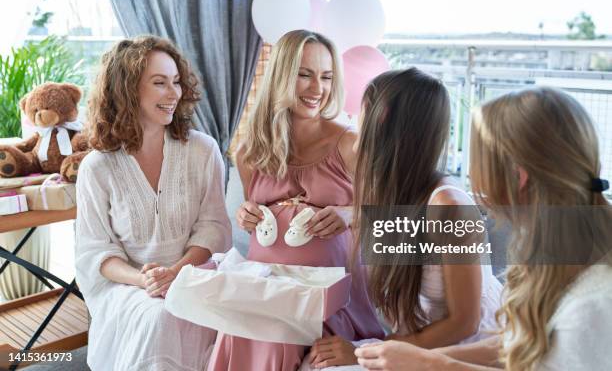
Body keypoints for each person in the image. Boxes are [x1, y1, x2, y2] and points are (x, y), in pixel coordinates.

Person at [355, 87, 612, 371]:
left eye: (478, 162)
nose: (471, 176)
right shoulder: (555, 250)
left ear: (518, 176)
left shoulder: (595, 304)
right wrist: (424, 357)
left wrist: (431, 364)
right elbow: (521, 343)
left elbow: (468, 325)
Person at [207, 29, 384, 371]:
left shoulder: (351, 144)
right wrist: (246, 213)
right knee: (250, 331)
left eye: (326, 77)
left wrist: (350, 214)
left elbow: (388, 218)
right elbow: (257, 216)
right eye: (304, 75)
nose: (317, 89)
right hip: (266, 289)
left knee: (280, 336)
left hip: (328, 298)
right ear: (281, 76)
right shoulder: (248, 152)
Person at [307, 68, 502, 369]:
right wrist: (348, 215)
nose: (355, 120)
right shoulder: (391, 193)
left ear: (380, 116)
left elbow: (465, 323)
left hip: (465, 349)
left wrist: (365, 351)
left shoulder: (449, 206)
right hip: (422, 340)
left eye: (361, 109)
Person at [75, 36, 232, 370]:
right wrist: (144, 280)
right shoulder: (98, 166)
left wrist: (176, 272)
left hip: (195, 274)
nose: (173, 93)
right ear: (128, 90)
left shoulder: (204, 151)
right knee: (160, 315)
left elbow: (214, 227)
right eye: (160, 83)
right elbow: (94, 251)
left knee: (198, 312)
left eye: (176, 82)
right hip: (128, 288)